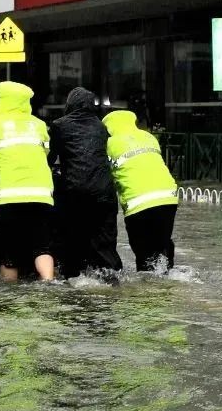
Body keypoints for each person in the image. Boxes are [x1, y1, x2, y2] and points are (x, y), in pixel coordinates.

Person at [0, 82, 55, 282]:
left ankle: (11, 292)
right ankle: (49, 282)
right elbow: (46, 153)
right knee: (42, 246)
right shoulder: (39, 124)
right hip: (41, 193)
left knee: (10, 252)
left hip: (9, 195)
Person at [48, 87, 123, 280]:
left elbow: (51, 158)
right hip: (104, 192)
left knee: (71, 238)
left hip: (74, 192)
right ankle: (112, 278)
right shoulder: (101, 127)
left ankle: (72, 276)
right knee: (104, 241)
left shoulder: (59, 125)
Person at [102, 110, 179, 272]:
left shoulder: (109, 144)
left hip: (138, 202)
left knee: (143, 252)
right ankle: (168, 275)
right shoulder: (149, 137)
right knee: (162, 242)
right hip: (168, 198)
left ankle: (146, 292)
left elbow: (105, 176)